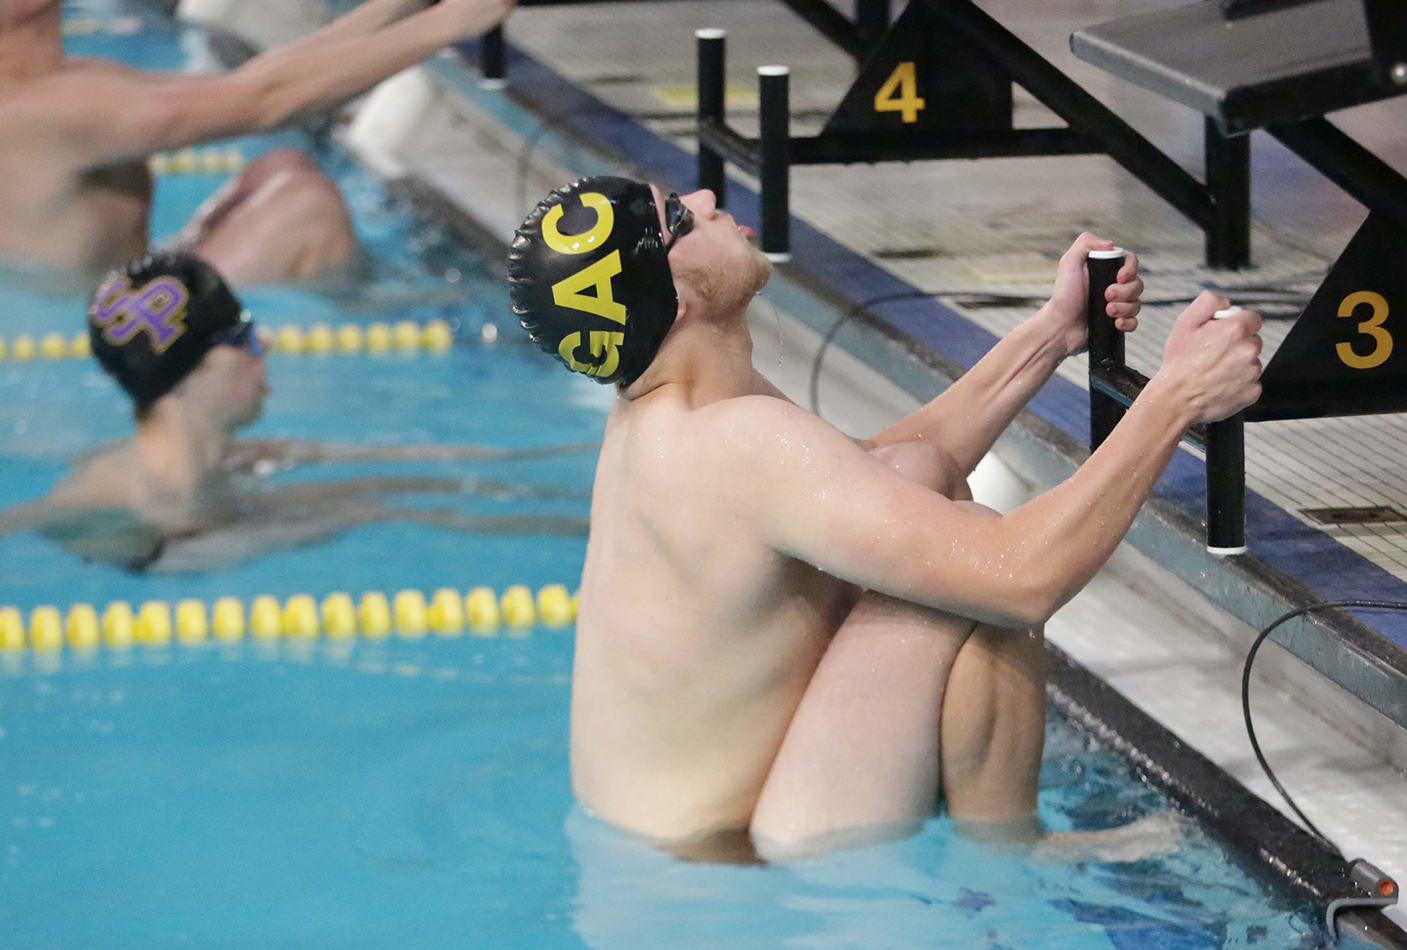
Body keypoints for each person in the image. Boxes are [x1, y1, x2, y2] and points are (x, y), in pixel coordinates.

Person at [508, 177, 1264, 861]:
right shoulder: (733, 443)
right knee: (971, 578)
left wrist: (1052, 333)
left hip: (675, 857)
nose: (707, 198)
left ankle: (1001, 848)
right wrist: (1179, 397)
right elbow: (1024, 576)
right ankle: (1013, 862)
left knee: (916, 482)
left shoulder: (663, 414)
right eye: (679, 218)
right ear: (677, 302)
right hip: (749, 874)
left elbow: (873, 478)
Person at [0, 252, 591, 573]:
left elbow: (358, 457)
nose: (267, 348)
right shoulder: (117, 497)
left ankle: (580, 485)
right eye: (245, 336)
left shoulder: (214, 458)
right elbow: (24, 525)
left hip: (210, 517)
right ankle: (589, 532)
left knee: (390, 487)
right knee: (374, 504)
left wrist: (536, 455)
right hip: (163, 553)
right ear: (195, 369)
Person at [0, 0, 513, 287]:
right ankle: (407, 305)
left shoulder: (63, 82)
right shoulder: (36, 112)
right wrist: (452, 22)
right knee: (302, 210)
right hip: (110, 344)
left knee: (281, 169)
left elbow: (255, 80)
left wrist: (400, 7)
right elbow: (268, 101)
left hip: (123, 293)